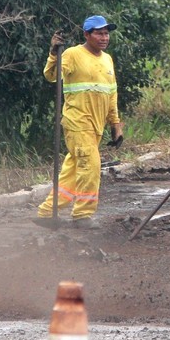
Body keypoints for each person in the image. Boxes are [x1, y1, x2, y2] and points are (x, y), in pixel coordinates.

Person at [35, 15, 123, 229]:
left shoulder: (107, 59)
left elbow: (111, 94)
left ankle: (47, 212)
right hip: (77, 122)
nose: (104, 37)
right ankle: (82, 215)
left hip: (96, 126)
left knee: (74, 170)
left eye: (106, 33)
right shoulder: (73, 54)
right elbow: (51, 76)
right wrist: (53, 53)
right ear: (87, 34)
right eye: (99, 33)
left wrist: (115, 124)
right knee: (90, 166)